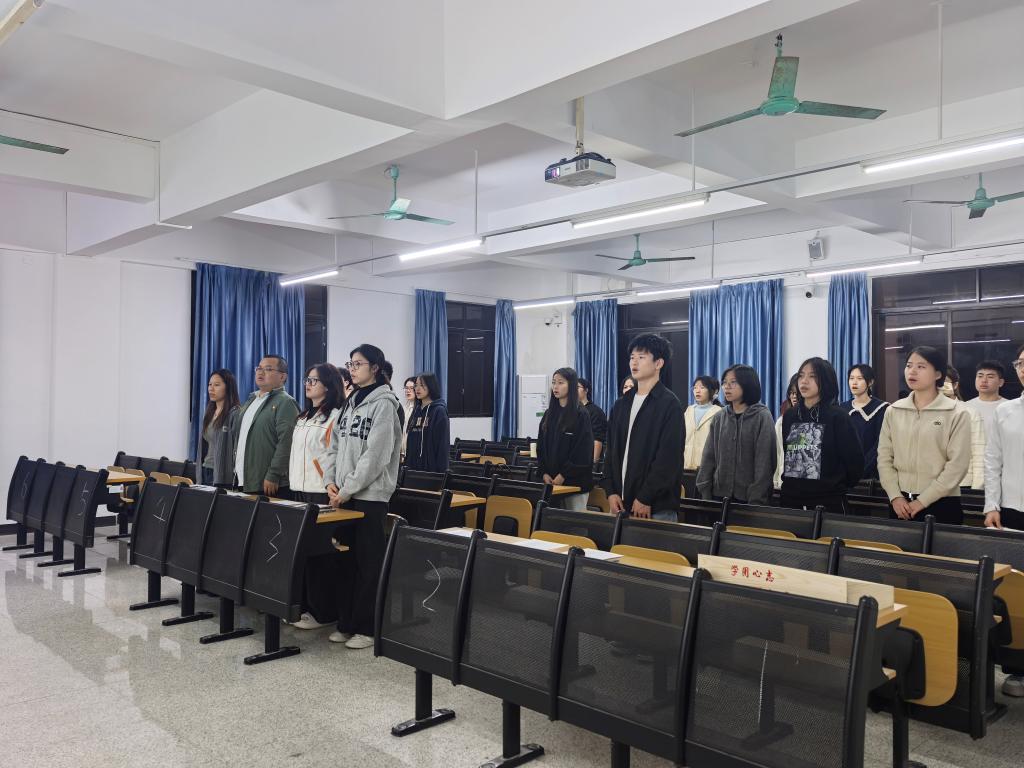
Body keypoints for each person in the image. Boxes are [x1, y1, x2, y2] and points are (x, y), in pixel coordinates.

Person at [322, 344, 402, 649]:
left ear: (375, 368)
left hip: (370, 496)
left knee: (368, 564)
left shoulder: (385, 404)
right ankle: (346, 622)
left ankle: (367, 629)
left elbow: (376, 456)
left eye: (358, 364)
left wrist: (346, 490)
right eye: (350, 364)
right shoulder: (350, 402)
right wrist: (330, 482)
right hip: (343, 495)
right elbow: (334, 446)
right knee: (345, 560)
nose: (352, 369)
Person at [877, 346, 972, 525]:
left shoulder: (956, 412)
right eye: (909, 365)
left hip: (942, 502)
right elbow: (884, 458)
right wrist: (895, 496)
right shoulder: (894, 410)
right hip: (900, 504)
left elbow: (957, 466)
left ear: (938, 374)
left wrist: (922, 501)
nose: (912, 371)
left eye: (921, 366)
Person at [287, 362, 346, 630]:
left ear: (328, 385)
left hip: (320, 491)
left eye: (314, 380)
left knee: (320, 554)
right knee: (301, 553)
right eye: (307, 380)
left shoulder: (335, 416)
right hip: (298, 489)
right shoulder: (303, 417)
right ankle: (303, 606)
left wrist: (331, 484)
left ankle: (323, 612)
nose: (308, 384)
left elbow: (334, 455)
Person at [602, 334, 684, 522]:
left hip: (655, 506)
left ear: (658, 363)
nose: (634, 362)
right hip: (620, 504)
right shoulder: (621, 404)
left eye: (641, 357)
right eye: (632, 357)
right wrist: (610, 491)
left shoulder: (669, 404)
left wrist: (646, 496)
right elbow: (611, 452)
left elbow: (669, 459)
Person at [982, 347, 1024, 698]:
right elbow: (992, 460)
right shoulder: (1006, 411)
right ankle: (1019, 669)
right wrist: (991, 505)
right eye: (1021, 363)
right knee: (1017, 591)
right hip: (1012, 509)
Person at [779, 357, 863, 514]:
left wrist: (834, 485)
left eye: (812, 376)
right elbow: (788, 453)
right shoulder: (790, 415)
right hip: (791, 500)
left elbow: (855, 463)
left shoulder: (838, 416)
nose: (804, 381)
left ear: (825, 380)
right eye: (801, 375)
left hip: (828, 502)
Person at [697, 364, 776, 504]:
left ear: (747, 384)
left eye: (733, 382)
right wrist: (705, 491)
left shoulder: (762, 416)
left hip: (749, 499)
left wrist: (757, 498)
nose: (727, 387)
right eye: (724, 383)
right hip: (718, 496)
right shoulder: (720, 417)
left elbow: (764, 462)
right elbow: (709, 457)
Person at [232, 355, 300, 496]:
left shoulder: (285, 402)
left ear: (282, 376)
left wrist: (274, 474)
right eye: (259, 368)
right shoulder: (251, 400)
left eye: (268, 369)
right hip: (244, 479)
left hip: (268, 483)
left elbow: (287, 442)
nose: (260, 372)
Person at [538, 367, 594, 510]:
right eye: (553, 382)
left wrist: (563, 475)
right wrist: (544, 472)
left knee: (574, 522)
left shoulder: (581, 414)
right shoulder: (549, 414)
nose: (555, 386)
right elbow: (541, 447)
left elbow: (583, 452)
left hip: (575, 484)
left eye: (560, 382)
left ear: (572, 385)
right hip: (552, 483)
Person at [842, 364, 889, 480]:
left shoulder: (882, 409)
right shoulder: (842, 408)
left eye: (859, 378)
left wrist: (861, 470)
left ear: (870, 382)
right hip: (845, 474)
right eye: (851, 378)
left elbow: (880, 444)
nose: (854, 382)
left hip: (871, 476)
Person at [199, 369, 241, 487]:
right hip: (205, 469)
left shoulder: (235, 414)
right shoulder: (209, 412)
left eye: (217, 385)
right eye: (210, 384)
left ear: (228, 387)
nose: (211, 389)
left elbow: (238, 449)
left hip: (223, 474)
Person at [405, 373, 451, 473]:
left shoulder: (439, 411)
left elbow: (442, 444)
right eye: (416, 385)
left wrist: (441, 472)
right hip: (412, 468)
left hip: (431, 469)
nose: (417, 389)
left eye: (422, 385)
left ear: (431, 386)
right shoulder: (416, 410)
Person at [683, 376, 722, 471]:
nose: (697, 391)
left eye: (702, 387)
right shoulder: (689, 410)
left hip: (707, 468)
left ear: (714, 391)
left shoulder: (719, 412)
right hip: (685, 465)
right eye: (695, 387)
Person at [966, 360, 1007, 438]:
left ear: (1001, 382)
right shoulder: (965, 406)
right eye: (980, 376)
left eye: (990, 377)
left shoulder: (1009, 407)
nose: (984, 380)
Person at [774, 374, 800, 490]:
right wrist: (775, 481)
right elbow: (778, 453)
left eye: (796, 393)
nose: (793, 396)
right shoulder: (782, 421)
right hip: (784, 481)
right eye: (791, 393)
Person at [577, 378, 608, 463]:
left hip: (588, 460)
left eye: (577, 387)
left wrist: (594, 463)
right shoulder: (571, 411)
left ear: (586, 390)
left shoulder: (595, 411)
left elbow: (598, 438)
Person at [401, 376, 416, 457]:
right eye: (406, 388)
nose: (408, 390)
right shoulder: (404, 408)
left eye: (411, 388)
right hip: (403, 452)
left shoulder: (419, 409)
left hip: (412, 452)